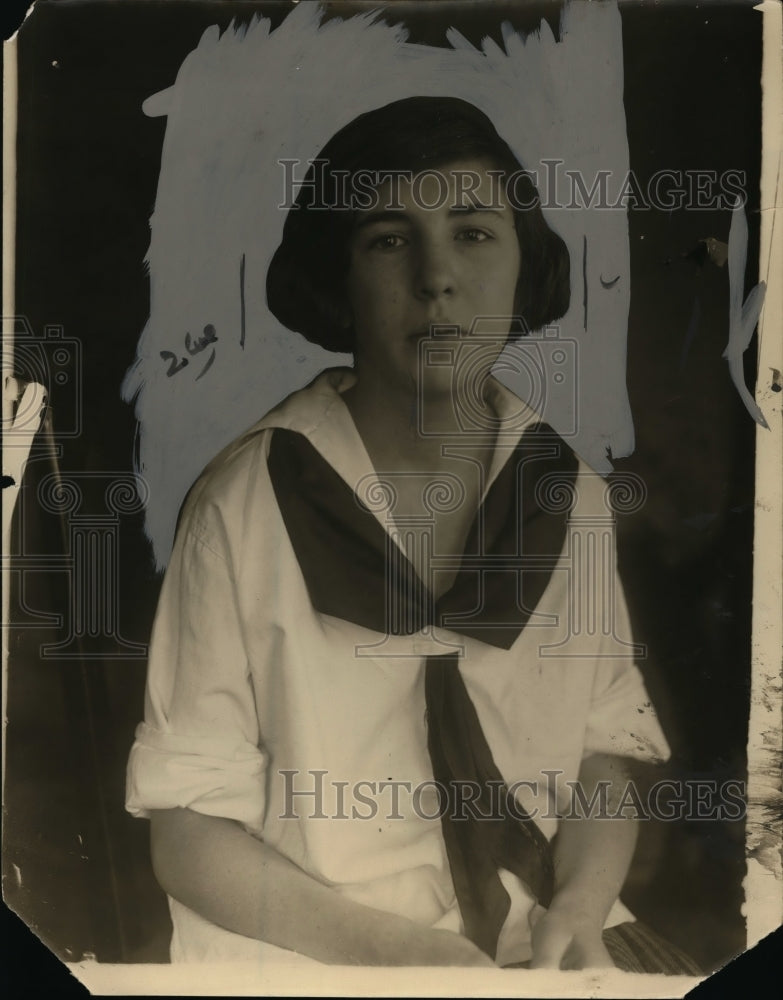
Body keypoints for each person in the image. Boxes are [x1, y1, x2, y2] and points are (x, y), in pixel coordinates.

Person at [126, 97, 697, 972]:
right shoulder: (245, 506)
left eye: (473, 234)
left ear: (521, 267)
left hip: (534, 938)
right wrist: (396, 956)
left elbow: (600, 755)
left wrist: (579, 909)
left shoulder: (562, 490)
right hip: (315, 949)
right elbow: (188, 829)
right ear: (338, 281)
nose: (436, 276)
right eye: (388, 240)